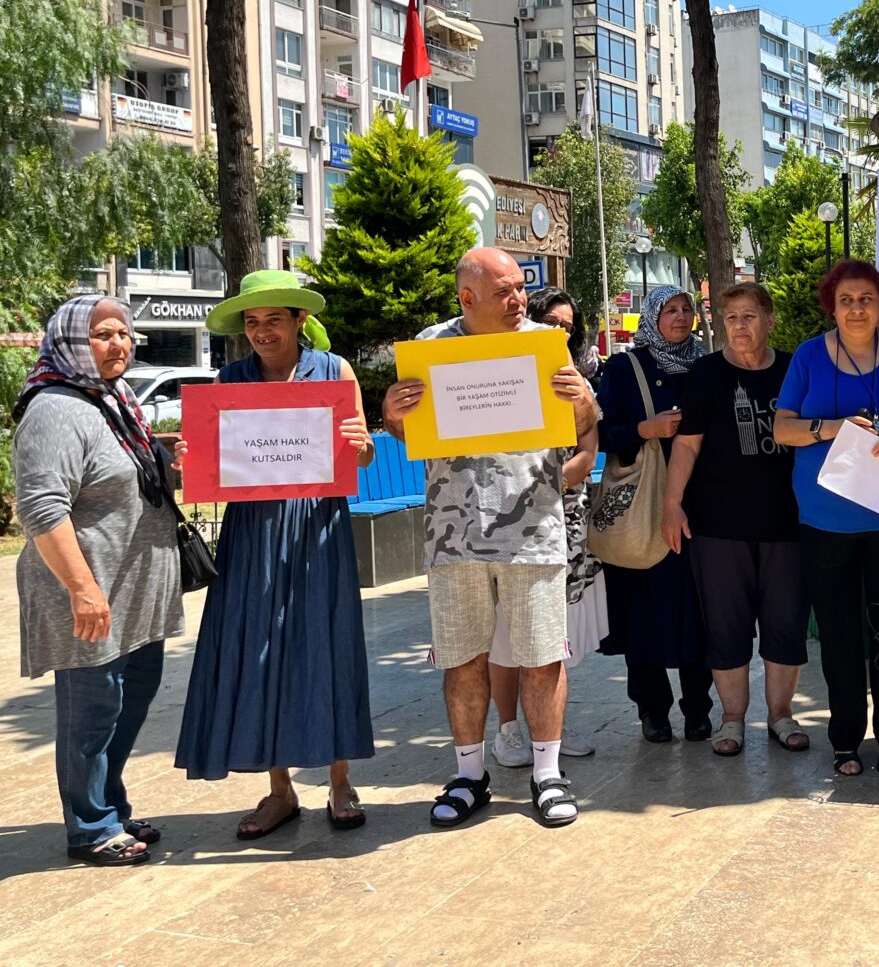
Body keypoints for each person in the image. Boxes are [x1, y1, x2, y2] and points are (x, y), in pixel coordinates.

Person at [383, 247, 598, 829]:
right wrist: (392, 411)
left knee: (542, 656)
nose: (518, 299)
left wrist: (583, 402)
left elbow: (585, 424)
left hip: (532, 527)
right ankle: (469, 774)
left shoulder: (543, 346)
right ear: (466, 297)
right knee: (462, 658)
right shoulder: (430, 348)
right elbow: (402, 428)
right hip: (454, 535)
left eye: (519, 288)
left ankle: (547, 774)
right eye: (503, 291)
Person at [174, 271, 376, 837]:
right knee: (261, 649)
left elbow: (356, 459)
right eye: (253, 323)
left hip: (317, 528)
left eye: (274, 320)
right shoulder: (229, 378)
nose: (262, 332)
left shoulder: (334, 371)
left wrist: (361, 446)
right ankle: (280, 789)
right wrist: (195, 458)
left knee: (326, 642)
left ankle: (339, 781)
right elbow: (213, 465)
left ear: (299, 322)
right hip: (253, 532)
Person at [11, 296, 186, 867]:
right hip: (88, 593)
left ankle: (110, 805)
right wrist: (83, 589)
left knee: (126, 703)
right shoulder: (55, 409)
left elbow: (120, 475)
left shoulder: (114, 399)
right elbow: (41, 508)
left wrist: (170, 461)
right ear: (67, 343)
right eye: (101, 335)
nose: (117, 344)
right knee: (91, 713)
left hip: (133, 593)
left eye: (123, 333)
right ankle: (88, 827)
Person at [773, 260, 879, 776]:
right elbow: (783, 429)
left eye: (866, 299)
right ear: (832, 303)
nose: (856, 308)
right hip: (825, 520)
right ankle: (846, 738)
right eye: (846, 299)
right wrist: (828, 427)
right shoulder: (808, 356)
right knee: (839, 634)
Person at [662, 283, 808, 757]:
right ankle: (732, 720)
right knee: (726, 627)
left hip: (788, 523)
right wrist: (672, 503)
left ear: (769, 320)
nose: (739, 326)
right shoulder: (706, 373)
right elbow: (687, 443)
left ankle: (782, 716)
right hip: (717, 525)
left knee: (785, 624)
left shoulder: (793, 369)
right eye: (730, 318)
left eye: (749, 316)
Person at [595, 286, 715, 743]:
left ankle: (698, 708)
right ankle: (652, 710)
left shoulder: (705, 364)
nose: (681, 317)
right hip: (642, 509)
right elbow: (601, 433)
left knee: (695, 613)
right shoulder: (626, 367)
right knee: (642, 614)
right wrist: (648, 428)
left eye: (687, 308)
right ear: (651, 317)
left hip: (698, 506)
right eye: (670, 310)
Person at [489, 288, 600, 767]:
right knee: (502, 637)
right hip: (498, 523)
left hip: (558, 521)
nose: (561, 332)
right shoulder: (497, 374)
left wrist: (541, 487)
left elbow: (588, 451)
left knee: (552, 635)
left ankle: (548, 730)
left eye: (568, 326)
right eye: (551, 321)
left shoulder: (576, 383)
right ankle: (508, 731)